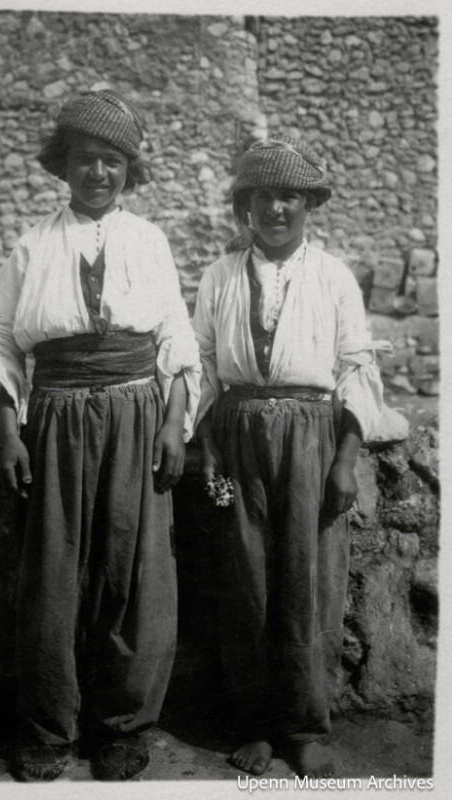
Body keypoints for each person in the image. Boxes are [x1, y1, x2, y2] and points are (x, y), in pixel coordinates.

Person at [0, 90, 201, 782]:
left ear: (127, 171)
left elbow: (176, 339)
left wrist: (173, 424)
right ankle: (50, 729)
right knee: (53, 571)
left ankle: (124, 727)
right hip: (57, 416)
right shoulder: (31, 245)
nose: (97, 173)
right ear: (63, 166)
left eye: (111, 161)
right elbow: (4, 347)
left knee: (137, 572)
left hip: (137, 412)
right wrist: (10, 434)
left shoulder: (149, 241)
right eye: (84, 159)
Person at [193, 135, 388, 779]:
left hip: (313, 435)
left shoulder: (332, 276)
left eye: (291, 196)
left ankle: (304, 726)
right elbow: (203, 369)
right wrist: (211, 446)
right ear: (245, 206)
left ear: (309, 205)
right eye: (264, 196)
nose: (277, 208)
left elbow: (355, 365)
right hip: (239, 433)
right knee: (245, 579)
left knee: (311, 582)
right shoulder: (220, 276)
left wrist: (345, 458)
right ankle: (253, 724)